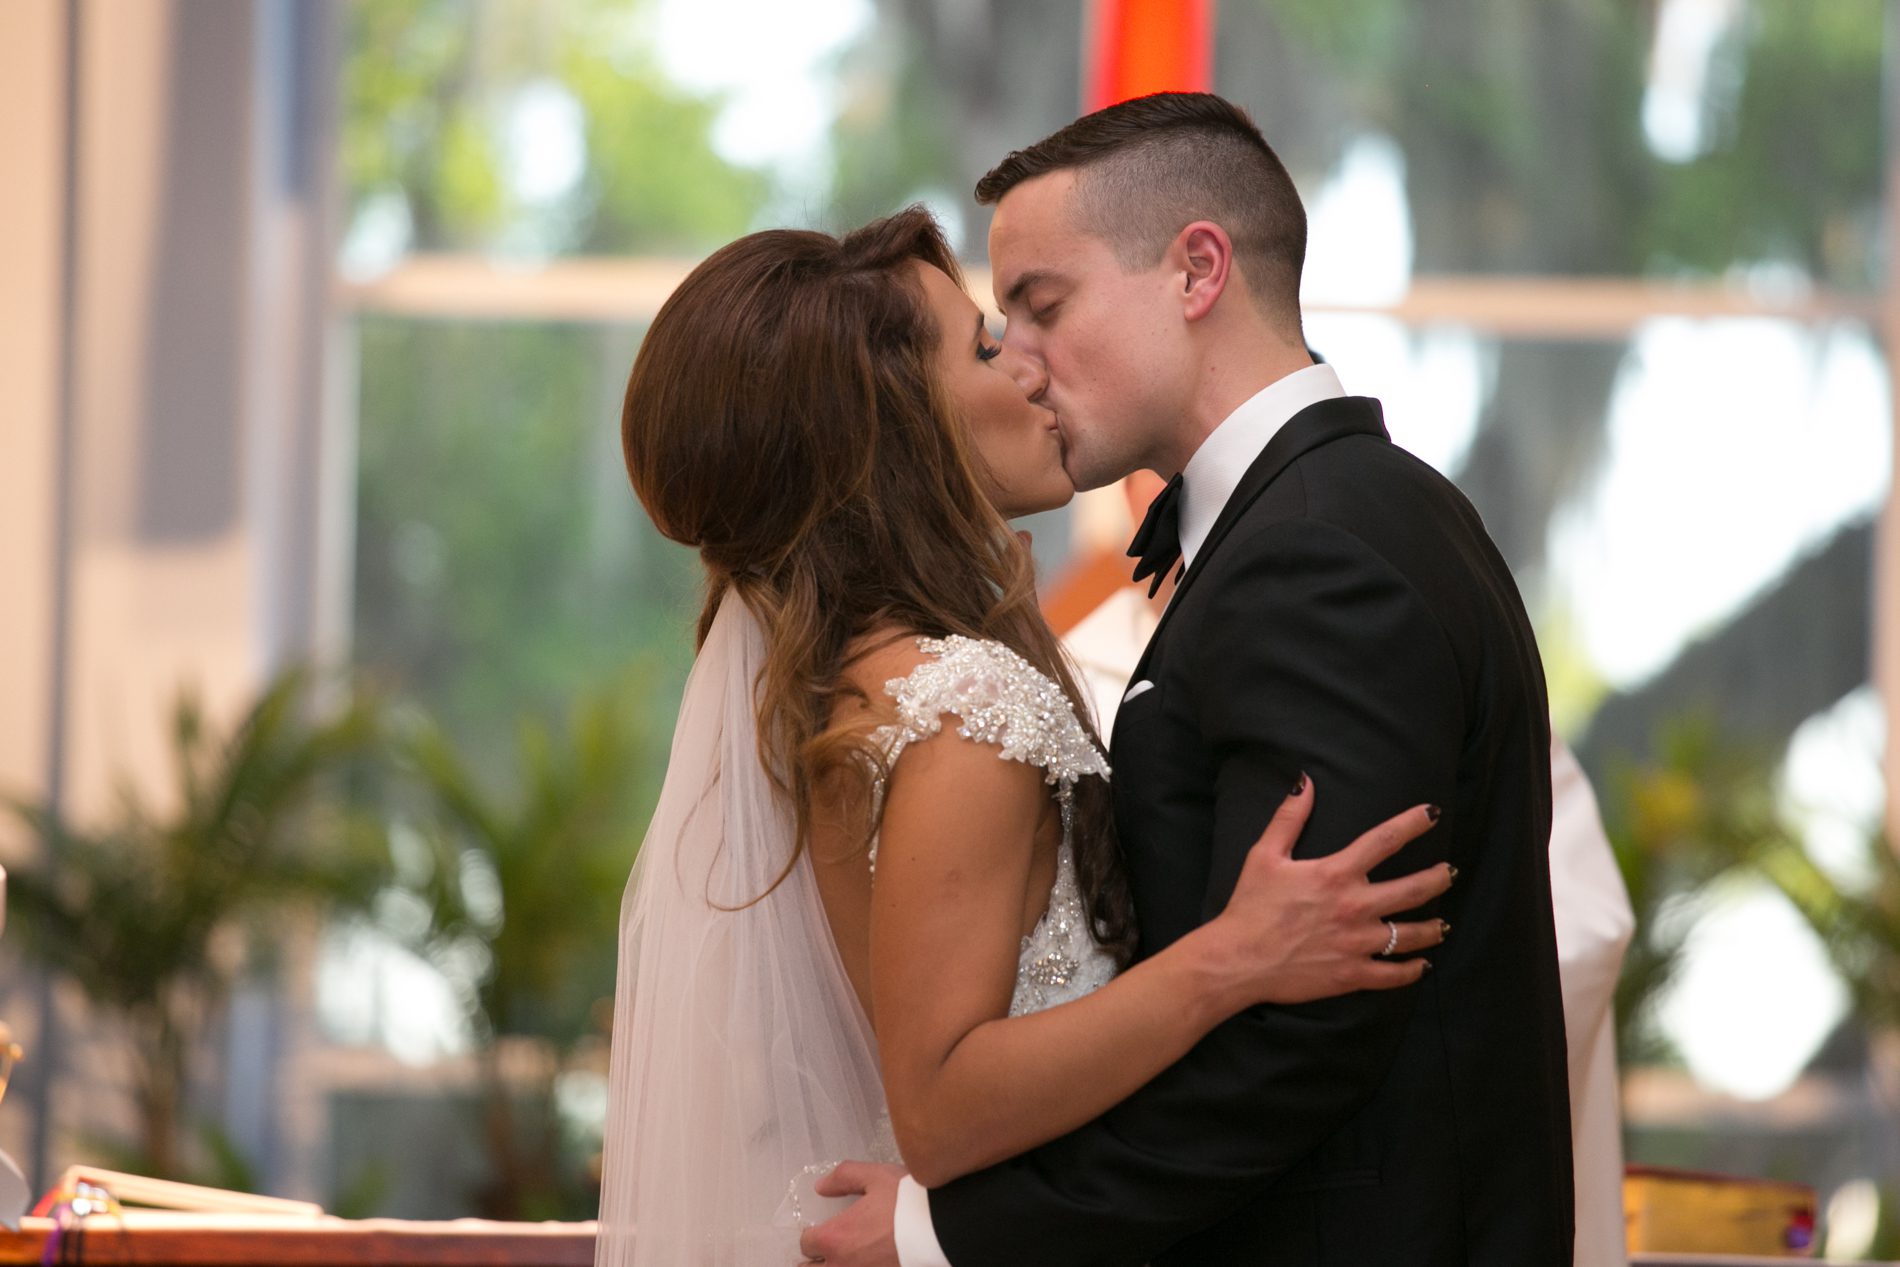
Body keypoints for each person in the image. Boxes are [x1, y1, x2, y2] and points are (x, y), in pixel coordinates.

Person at [593, 208, 1455, 1266]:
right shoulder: (965, 709)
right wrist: (1229, 960)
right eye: (985, 343)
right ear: (895, 422)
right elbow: (943, 1105)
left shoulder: (837, 693)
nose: (1030, 367)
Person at [803, 92, 1574, 1266]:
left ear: (1197, 271)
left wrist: (949, 1232)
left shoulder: (1319, 551)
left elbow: (1302, 1034)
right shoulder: (1324, 521)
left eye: (1041, 304)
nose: (1015, 354)